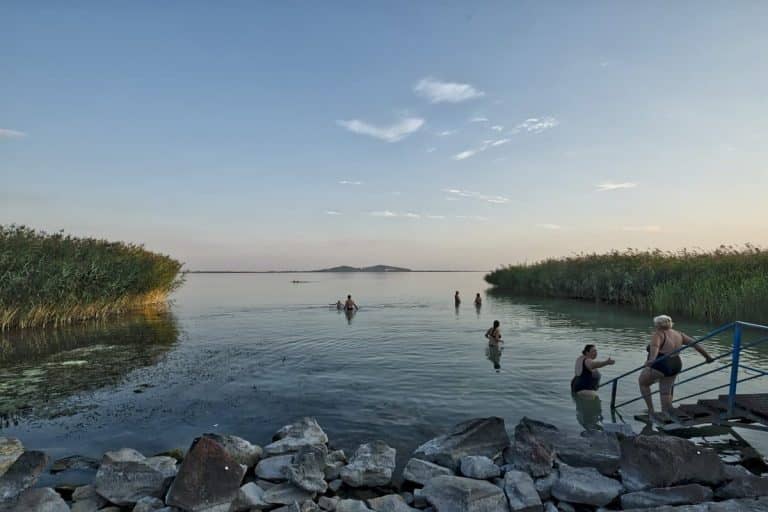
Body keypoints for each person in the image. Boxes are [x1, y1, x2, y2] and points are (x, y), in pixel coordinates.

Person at [638, 314, 714, 418]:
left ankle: (651, 410)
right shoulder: (679, 334)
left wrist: (651, 360)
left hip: (661, 364)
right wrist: (707, 357)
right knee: (665, 392)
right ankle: (666, 413)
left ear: (658, 325)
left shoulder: (658, 334)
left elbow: (655, 347)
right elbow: (695, 344)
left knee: (643, 383)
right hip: (675, 364)